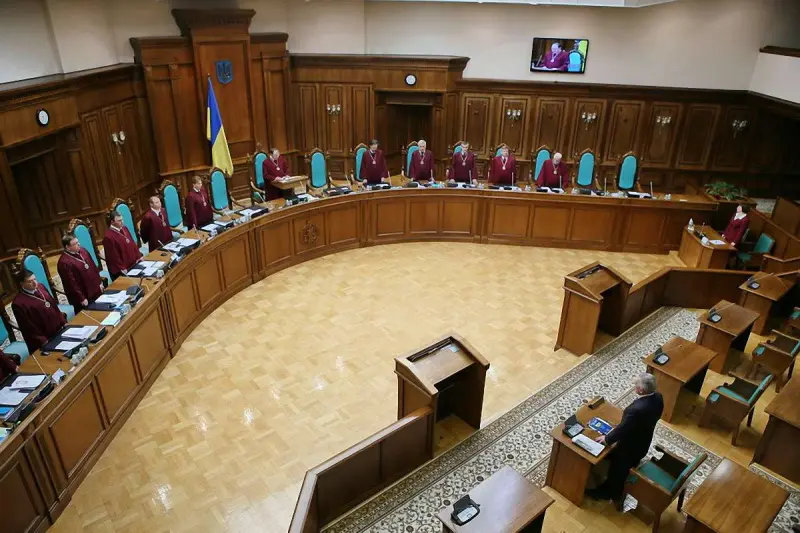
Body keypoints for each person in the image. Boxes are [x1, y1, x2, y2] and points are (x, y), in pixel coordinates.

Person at [587, 373, 664, 502]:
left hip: (629, 448)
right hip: (643, 441)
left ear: (641, 390)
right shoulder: (658, 397)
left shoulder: (636, 410)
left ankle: (606, 493)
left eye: (636, 385)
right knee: (623, 463)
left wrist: (607, 439)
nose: (634, 386)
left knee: (617, 470)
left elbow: (623, 429)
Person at [11, 269, 67, 354]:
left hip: (58, 330)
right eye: (30, 281)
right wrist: (43, 341)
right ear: (22, 284)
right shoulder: (18, 303)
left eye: (35, 279)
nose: (35, 283)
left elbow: (54, 306)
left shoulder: (41, 287)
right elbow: (28, 328)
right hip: (43, 340)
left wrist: (63, 322)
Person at [57, 233, 104, 314]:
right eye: (75, 243)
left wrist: (99, 282)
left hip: (95, 290)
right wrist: (81, 298)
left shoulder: (83, 250)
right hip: (83, 296)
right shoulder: (63, 263)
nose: (79, 244)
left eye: (78, 242)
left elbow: (93, 268)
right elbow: (71, 284)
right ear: (67, 247)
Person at [102, 210, 142, 280]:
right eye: (119, 221)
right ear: (112, 222)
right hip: (124, 269)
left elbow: (132, 243)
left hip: (133, 264)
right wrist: (121, 268)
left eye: (122, 219)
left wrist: (138, 256)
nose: (122, 222)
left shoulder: (124, 228)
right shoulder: (108, 237)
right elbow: (113, 257)